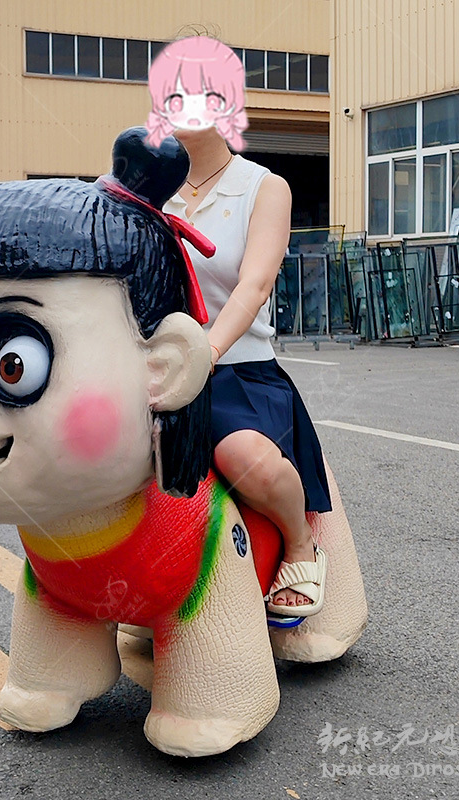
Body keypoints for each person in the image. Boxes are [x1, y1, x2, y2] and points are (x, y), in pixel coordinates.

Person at [148, 37, 332, 614]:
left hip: (237, 373)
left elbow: (253, 285)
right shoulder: (147, 195)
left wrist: (205, 351)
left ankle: (302, 546)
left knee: (243, 455)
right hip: (155, 371)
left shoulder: (263, 186)